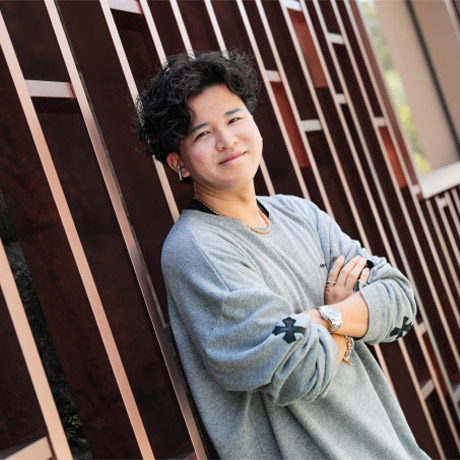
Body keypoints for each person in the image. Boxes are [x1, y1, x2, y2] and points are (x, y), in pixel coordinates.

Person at [136, 50, 429, 459]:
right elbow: (298, 371)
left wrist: (324, 318)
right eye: (202, 134)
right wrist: (350, 319)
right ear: (178, 163)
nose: (227, 140)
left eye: (234, 119)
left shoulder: (299, 214)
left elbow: (399, 303)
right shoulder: (196, 250)